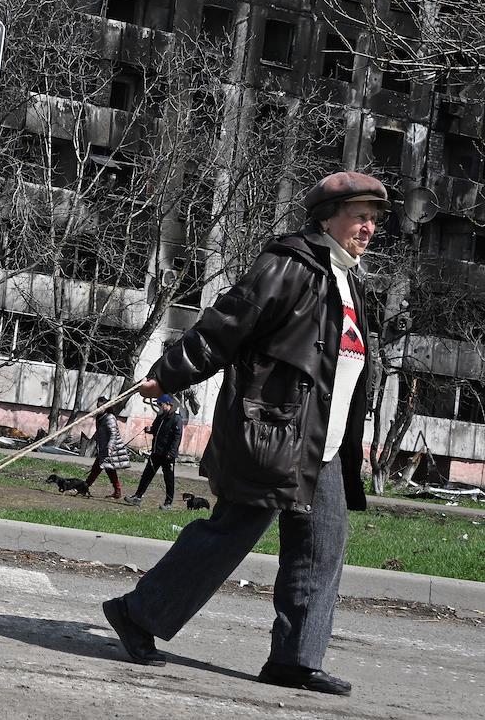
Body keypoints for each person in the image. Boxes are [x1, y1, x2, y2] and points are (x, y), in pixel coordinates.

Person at [102, 171, 388, 698]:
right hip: (275, 435)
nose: (369, 228)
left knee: (322, 549)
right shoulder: (291, 265)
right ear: (328, 217)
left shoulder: (352, 281)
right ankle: (137, 614)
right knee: (231, 534)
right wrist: (169, 372)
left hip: (325, 445)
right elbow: (227, 323)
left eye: (374, 218)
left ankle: (296, 660)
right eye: (359, 216)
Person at [124, 394, 184, 509]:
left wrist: (171, 453)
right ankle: (137, 497)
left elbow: (177, 437)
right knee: (146, 475)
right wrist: (149, 430)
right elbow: (155, 429)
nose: (159, 407)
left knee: (169, 479)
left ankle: (168, 503)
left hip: (167, 455)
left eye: (161, 404)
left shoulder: (176, 419)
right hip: (156, 452)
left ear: (168, 404)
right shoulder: (160, 417)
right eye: (158, 405)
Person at [83, 399, 129, 499]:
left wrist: (110, 447)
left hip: (110, 448)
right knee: (106, 469)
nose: (98, 409)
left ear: (107, 407)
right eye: (97, 406)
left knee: (99, 468)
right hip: (103, 448)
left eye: (101, 407)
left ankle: (85, 486)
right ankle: (117, 490)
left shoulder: (110, 418)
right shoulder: (100, 417)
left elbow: (113, 433)